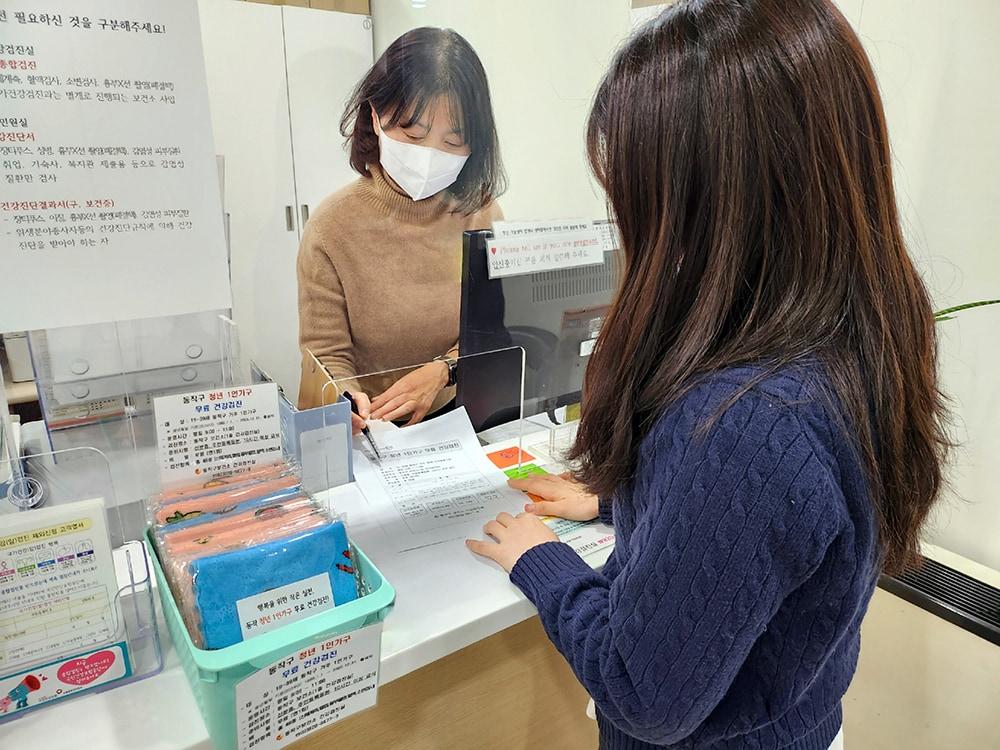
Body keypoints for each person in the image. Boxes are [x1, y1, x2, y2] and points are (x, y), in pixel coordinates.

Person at [467, 2, 949, 749]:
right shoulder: (862, 331)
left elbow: (642, 690)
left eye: (637, 193)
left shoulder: (739, 422)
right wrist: (622, 506)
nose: (630, 222)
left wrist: (543, 562)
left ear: (712, 202)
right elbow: (780, 547)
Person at [297, 27, 505, 431]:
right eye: (413, 135)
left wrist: (443, 371)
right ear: (375, 117)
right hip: (377, 429)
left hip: (464, 419)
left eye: (452, 142)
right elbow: (325, 354)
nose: (430, 156)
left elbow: (496, 328)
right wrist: (345, 397)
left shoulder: (480, 215)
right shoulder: (332, 227)